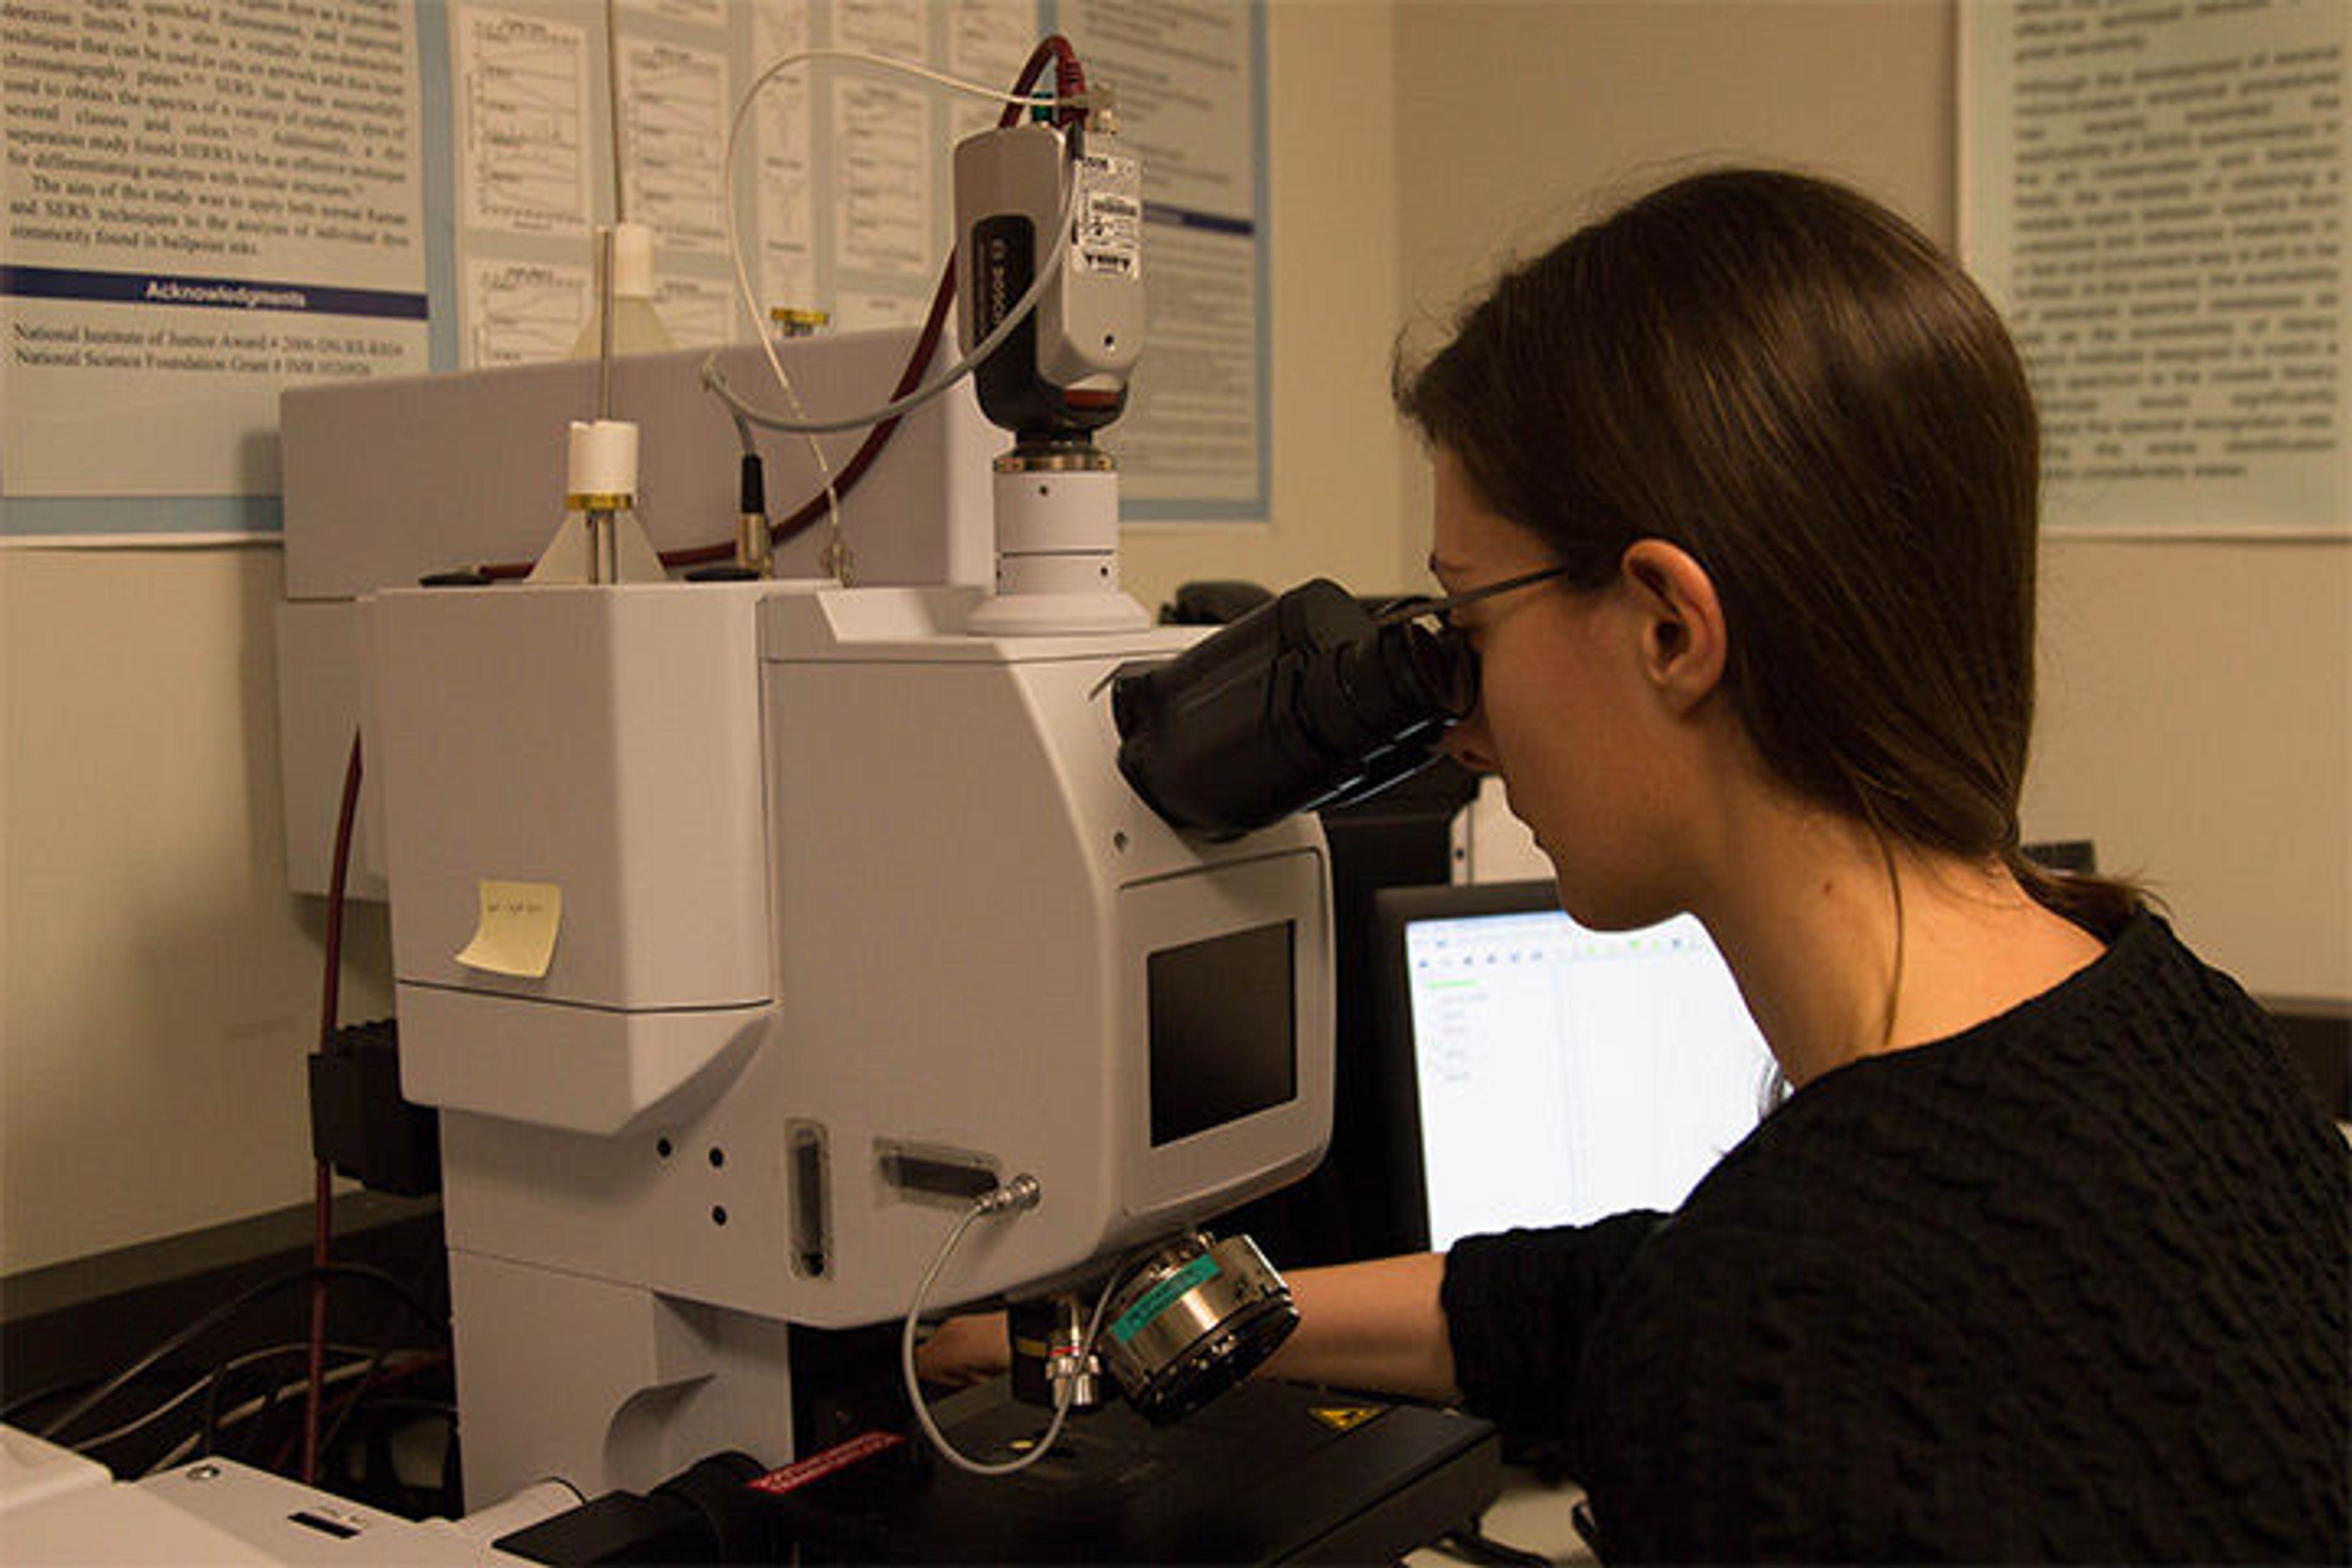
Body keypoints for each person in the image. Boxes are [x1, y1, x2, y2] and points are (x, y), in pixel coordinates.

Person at [923, 168, 2352, 1561]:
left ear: (1671, 625)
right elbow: (1626, 1289)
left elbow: (1739, 1313)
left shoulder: (1782, 1323)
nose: (1464, 723)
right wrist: (1144, 1320)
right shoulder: (2166, 1015)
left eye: (1472, 619)